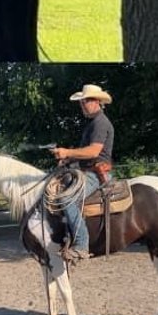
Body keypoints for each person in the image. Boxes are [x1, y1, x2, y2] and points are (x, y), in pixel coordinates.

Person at [52, 83, 115, 262]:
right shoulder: (92, 124)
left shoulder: (100, 123)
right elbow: (84, 152)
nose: (82, 104)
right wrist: (68, 159)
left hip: (96, 174)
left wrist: (67, 152)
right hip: (86, 171)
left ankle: (81, 244)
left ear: (97, 102)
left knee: (66, 198)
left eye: (86, 101)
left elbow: (94, 152)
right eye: (82, 102)